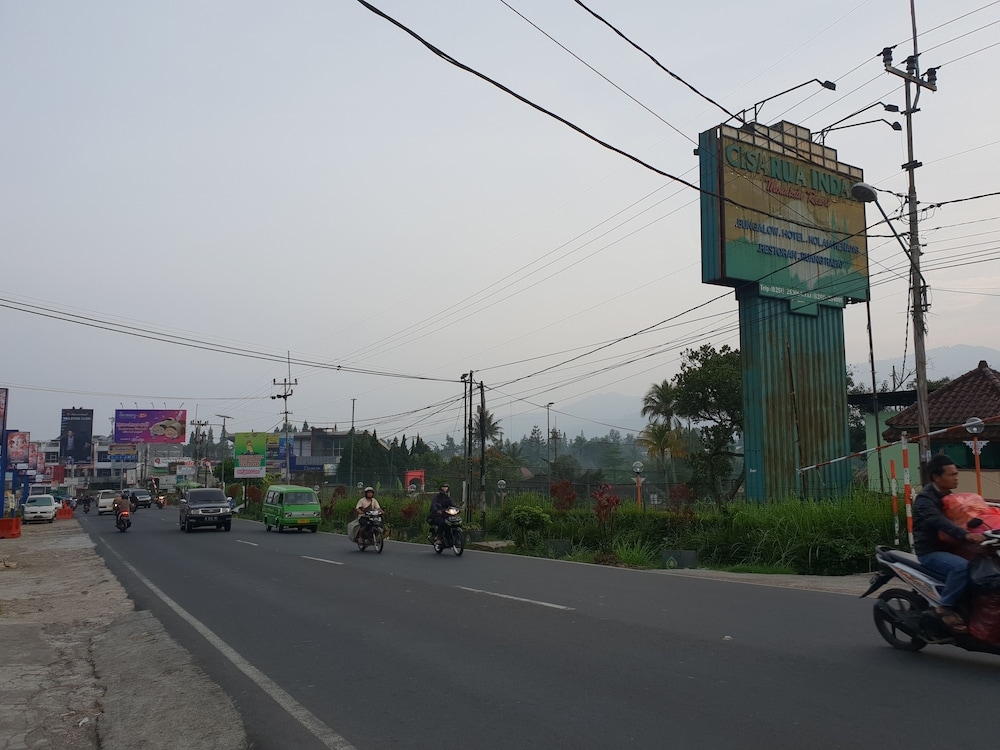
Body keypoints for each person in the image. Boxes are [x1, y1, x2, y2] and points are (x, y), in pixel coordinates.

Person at [913, 454, 987, 633]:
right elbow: (938, 521)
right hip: (931, 551)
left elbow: (973, 515)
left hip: (951, 548)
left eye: (956, 474)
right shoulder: (925, 500)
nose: (956, 478)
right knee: (962, 567)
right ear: (936, 477)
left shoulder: (952, 499)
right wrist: (966, 535)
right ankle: (945, 606)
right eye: (951, 474)